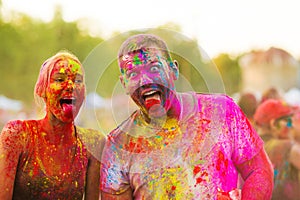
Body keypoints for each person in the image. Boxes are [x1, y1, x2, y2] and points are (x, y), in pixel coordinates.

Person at [100, 33, 273, 199]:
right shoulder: (118, 145)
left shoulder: (221, 111)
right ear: (124, 84)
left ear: (174, 70)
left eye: (154, 68)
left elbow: (258, 171)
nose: (144, 80)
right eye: (132, 74)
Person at [0, 51, 105, 200]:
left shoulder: (93, 142)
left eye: (78, 80)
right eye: (60, 79)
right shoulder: (18, 134)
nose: (70, 86)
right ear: (42, 90)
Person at [254, 99, 300, 199]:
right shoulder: (288, 148)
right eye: (288, 121)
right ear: (274, 124)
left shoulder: (248, 149)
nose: (291, 126)